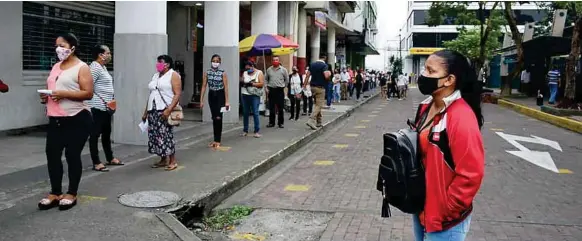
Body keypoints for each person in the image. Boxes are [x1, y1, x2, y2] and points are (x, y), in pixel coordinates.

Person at [413, 50, 484, 241]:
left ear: (449, 80)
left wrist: (445, 210)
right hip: (422, 206)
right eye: (424, 69)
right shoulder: (426, 106)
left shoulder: (461, 117)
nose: (423, 75)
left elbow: (471, 175)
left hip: (444, 220)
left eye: (430, 71)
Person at [38, 33, 93, 211]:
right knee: (52, 155)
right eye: (57, 45)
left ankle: (71, 193)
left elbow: (88, 93)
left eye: (62, 45)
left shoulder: (82, 67)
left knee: (72, 155)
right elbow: (55, 89)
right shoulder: (56, 67)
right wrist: (46, 97)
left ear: (72, 48)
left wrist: (63, 94)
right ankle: (55, 192)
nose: (58, 49)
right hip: (55, 118)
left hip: (76, 118)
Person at [88, 45, 123, 172]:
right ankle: (96, 161)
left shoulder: (103, 67)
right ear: (100, 55)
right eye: (107, 53)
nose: (109, 55)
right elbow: (87, 84)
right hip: (96, 106)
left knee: (107, 133)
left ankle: (110, 157)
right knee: (95, 134)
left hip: (106, 107)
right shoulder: (95, 68)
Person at [144, 55, 182, 171]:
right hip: (153, 109)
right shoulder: (156, 76)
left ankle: (172, 160)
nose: (158, 64)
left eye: (160, 62)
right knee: (156, 135)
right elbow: (152, 94)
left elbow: (177, 94)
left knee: (166, 134)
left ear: (167, 64)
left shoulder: (173, 75)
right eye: (157, 62)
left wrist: (169, 109)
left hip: (165, 109)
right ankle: (162, 159)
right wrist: (145, 112)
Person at [200, 54, 230, 148]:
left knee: (218, 117)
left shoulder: (223, 73)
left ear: (220, 63)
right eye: (214, 61)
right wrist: (201, 100)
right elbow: (204, 86)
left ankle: (218, 140)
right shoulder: (207, 72)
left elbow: (226, 87)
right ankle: (215, 139)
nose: (215, 63)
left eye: (217, 61)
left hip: (220, 95)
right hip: (211, 95)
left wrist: (227, 101)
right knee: (214, 117)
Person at [304, 54, 331, 130]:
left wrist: (304, 86)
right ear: (324, 58)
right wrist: (329, 75)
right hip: (320, 88)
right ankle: (311, 120)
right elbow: (326, 76)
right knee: (319, 105)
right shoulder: (324, 66)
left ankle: (319, 122)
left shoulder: (312, 65)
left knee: (316, 104)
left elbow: (307, 75)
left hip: (312, 87)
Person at [240, 61, 263, 138]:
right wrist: (242, 82)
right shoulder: (245, 73)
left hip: (254, 95)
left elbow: (261, 83)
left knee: (255, 112)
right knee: (245, 113)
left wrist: (252, 84)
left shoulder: (259, 73)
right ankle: (245, 130)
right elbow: (242, 81)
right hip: (245, 94)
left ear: (252, 66)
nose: (247, 70)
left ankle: (256, 131)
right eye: (246, 68)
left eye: (249, 68)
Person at [265, 56, 289, 128]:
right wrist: (266, 87)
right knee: (271, 107)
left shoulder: (283, 70)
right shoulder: (269, 69)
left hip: (280, 90)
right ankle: (271, 123)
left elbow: (287, 79)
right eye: (274, 60)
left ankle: (280, 123)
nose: (275, 61)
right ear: (272, 61)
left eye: (276, 60)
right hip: (271, 90)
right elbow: (266, 79)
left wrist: (284, 86)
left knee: (280, 108)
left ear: (279, 61)